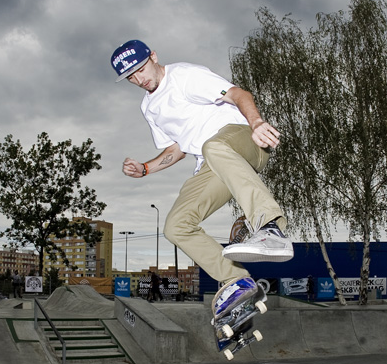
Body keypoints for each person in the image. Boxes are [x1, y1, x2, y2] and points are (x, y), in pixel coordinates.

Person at [112, 39, 293, 321]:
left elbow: (237, 93)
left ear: (154, 57)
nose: (139, 79)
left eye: (141, 69)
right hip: (213, 162)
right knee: (176, 226)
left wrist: (256, 123)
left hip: (243, 139)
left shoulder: (184, 76)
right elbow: (176, 149)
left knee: (213, 146)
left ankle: (271, 226)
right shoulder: (149, 108)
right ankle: (238, 283)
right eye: (130, 77)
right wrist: (145, 168)